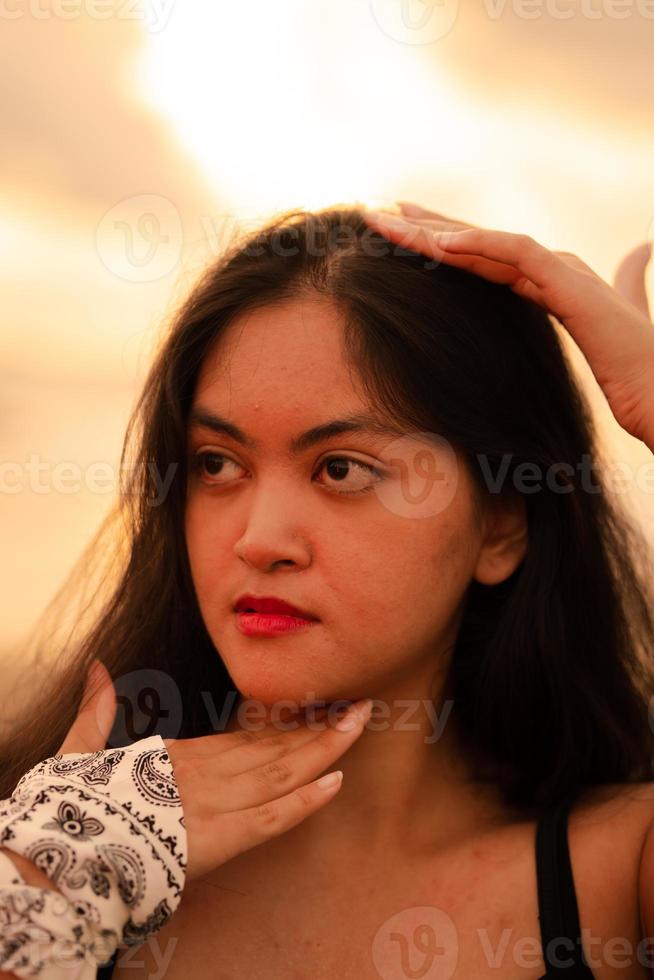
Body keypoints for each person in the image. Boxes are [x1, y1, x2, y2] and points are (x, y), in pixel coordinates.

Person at [2, 201, 654, 979]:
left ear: (501, 528)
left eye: (341, 468)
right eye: (217, 463)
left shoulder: (619, 877)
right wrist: (42, 891)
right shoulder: (38, 845)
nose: (258, 539)